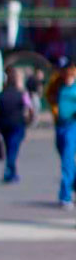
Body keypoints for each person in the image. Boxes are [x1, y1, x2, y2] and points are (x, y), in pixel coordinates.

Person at [0, 68, 33, 184]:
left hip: (4, 124)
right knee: (13, 148)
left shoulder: (1, 95)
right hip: (18, 124)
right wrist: (29, 120)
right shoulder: (22, 94)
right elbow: (29, 107)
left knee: (9, 148)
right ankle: (9, 171)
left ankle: (12, 172)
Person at [48, 60, 76, 208]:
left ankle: (65, 196)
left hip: (73, 125)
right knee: (65, 158)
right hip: (60, 125)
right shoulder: (58, 84)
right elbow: (49, 94)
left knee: (67, 160)